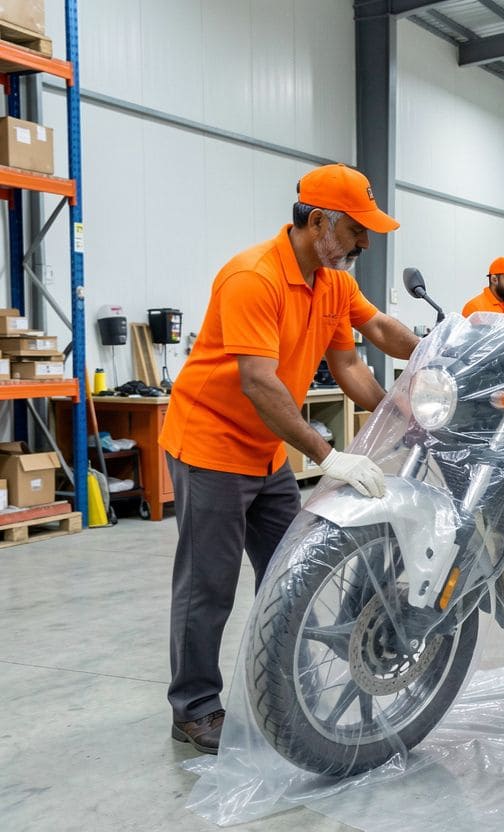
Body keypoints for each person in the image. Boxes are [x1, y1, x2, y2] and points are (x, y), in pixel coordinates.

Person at [159, 163, 420, 754]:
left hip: (265, 449)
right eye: (356, 230)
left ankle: (284, 682)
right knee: (208, 584)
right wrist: (329, 455)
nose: (364, 243)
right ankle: (194, 708)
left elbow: (361, 350)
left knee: (292, 569)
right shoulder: (253, 277)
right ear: (320, 222)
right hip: (211, 445)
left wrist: (414, 392)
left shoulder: (332, 282)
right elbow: (258, 381)